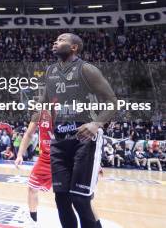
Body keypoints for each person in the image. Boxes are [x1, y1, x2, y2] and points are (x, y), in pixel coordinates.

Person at [42, 33, 117, 228]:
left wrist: (96, 124)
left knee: (81, 200)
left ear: (74, 47)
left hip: (84, 138)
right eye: (55, 39)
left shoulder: (87, 69)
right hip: (59, 141)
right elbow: (46, 104)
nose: (55, 42)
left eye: (60, 40)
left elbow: (112, 102)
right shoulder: (50, 71)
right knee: (61, 199)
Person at [15, 110, 54, 228]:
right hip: (45, 157)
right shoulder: (39, 114)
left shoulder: (67, 109)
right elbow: (28, 134)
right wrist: (20, 154)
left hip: (64, 156)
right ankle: (33, 220)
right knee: (32, 188)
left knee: (67, 196)